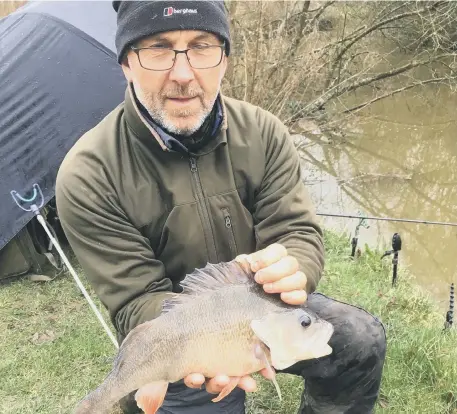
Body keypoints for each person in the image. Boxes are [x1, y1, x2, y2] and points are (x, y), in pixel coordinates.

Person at [55, 1, 387, 413]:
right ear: (126, 63)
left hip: (263, 307)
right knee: (204, 397)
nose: (182, 73)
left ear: (225, 59)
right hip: (172, 331)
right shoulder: (88, 174)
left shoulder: (264, 132)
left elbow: (296, 232)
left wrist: (294, 266)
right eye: (158, 48)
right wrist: (211, 343)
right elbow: (136, 300)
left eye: (202, 46)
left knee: (360, 338)